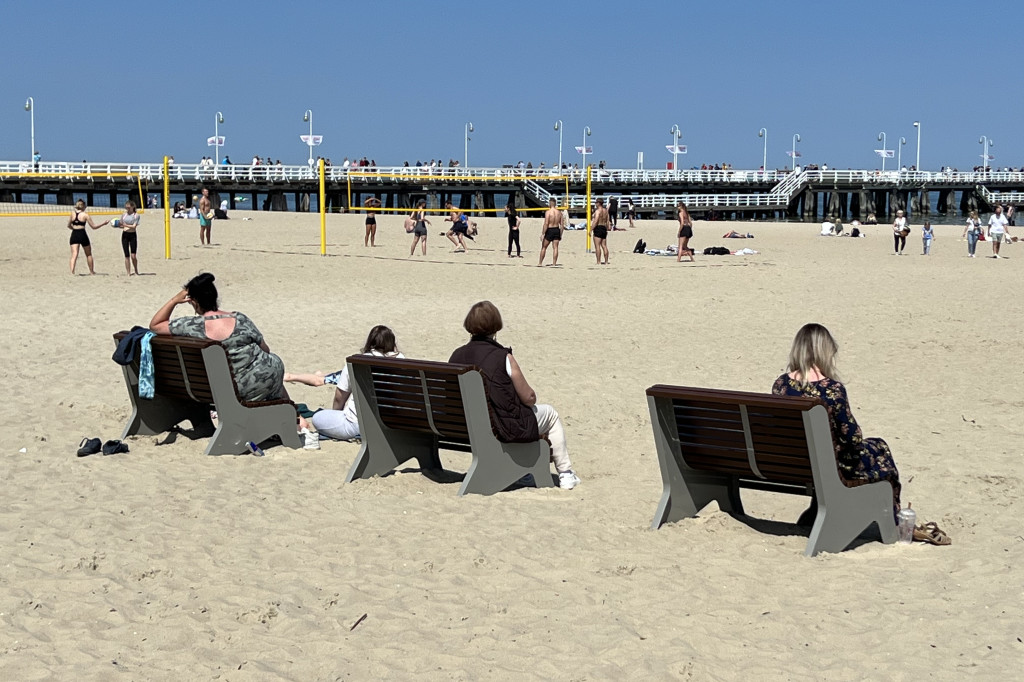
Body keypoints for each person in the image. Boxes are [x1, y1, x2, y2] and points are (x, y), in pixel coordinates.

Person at [772, 323, 901, 523]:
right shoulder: (832, 389)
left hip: (793, 462)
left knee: (825, 450)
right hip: (829, 467)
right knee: (881, 449)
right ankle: (895, 521)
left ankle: (816, 510)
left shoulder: (781, 385)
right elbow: (853, 437)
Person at [449, 301, 580, 490]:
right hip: (500, 427)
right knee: (550, 414)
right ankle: (566, 473)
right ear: (495, 326)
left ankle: (526, 470)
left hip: (463, 426)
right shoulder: (502, 356)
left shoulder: (456, 356)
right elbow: (529, 397)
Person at [284, 325, 402, 441]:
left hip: (358, 425)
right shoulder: (402, 361)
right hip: (393, 425)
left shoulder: (357, 362)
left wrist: (335, 414)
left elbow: (339, 398)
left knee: (317, 417)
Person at [67, 199, 110, 274]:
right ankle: (91, 271)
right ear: (84, 206)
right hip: (82, 234)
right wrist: (103, 224)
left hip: (74, 234)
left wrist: (74, 229)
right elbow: (94, 227)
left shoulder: (72, 214)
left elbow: (68, 225)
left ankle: (72, 271)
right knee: (88, 254)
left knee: (74, 254)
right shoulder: (85, 215)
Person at [537, 197, 563, 266]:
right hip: (556, 229)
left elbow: (546, 223)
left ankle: (540, 263)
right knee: (555, 247)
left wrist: (543, 233)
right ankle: (554, 263)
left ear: (550, 203)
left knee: (544, 247)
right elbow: (562, 225)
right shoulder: (559, 212)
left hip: (550, 229)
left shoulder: (548, 212)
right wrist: (560, 234)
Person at [118, 200, 142, 276]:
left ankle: (136, 270)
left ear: (132, 207)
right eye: (126, 207)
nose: (127, 208)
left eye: (129, 207)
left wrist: (125, 225)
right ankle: (128, 272)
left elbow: (134, 226)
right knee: (126, 255)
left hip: (132, 235)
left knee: (133, 256)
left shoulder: (136, 215)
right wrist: (118, 225)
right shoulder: (124, 215)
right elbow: (120, 225)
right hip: (125, 235)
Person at [592, 198, 610, 265]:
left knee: (597, 246)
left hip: (598, 227)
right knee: (604, 245)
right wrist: (608, 227)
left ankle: (598, 261)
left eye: (596, 203)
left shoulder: (597, 211)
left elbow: (596, 221)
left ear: (598, 203)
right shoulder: (606, 211)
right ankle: (606, 261)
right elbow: (608, 220)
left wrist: (591, 229)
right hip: (604, 227)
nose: (595, 204)